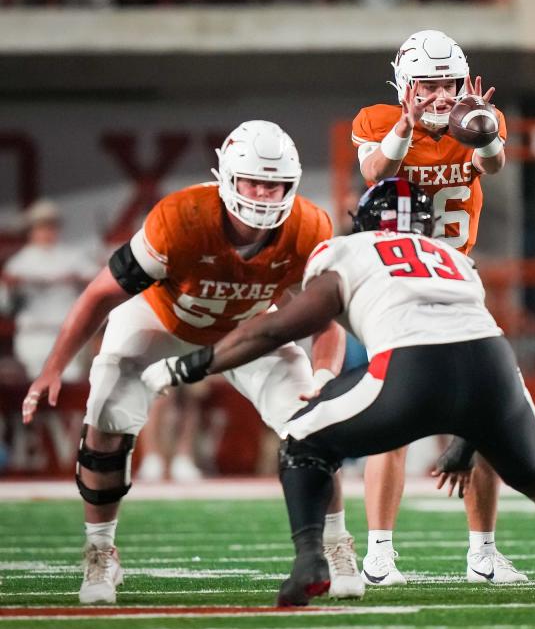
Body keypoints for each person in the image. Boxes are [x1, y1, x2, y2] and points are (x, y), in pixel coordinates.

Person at [140, 177, 535, 607]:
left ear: (361, 219)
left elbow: (271, 330)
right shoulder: (453, 260)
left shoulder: (348, 249)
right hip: (493, 365)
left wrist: (192, 365)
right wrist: (468, 439)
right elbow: (466, 344)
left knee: (302, 439)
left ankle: (310, 562)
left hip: (413, 368)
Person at [20, 121, 363, 604]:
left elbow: (326, 321)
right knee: (105, 419)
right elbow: (101, 292)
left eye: (275, 183)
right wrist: (55, 364)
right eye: (253, 181)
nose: (265, 194)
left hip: (248, 330)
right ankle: (101, 552)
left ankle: (335, 543)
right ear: (227, 178)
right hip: (161, 322)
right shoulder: (181, 218)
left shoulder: (308, 227)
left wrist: (324, 378)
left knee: (312, 425)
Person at [349, 29, 522, 585]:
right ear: (405, 86)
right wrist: (407, 121)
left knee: (489, 416)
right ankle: (379, 554)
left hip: (457, 278)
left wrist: (485, 130)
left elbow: (493, 166)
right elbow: (376, 173)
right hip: (396, 280)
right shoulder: (379, 120)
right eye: (428, 84)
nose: (440, 93)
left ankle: (484, 554)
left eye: (448, 82)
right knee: (393, 418)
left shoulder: (471, 121)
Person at [0, 200, 99, 382]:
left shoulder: (73, 257)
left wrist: (76, 280)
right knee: (37, 382)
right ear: (32, 230)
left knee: (71, 379)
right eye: (42, 227)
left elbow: (98, 282)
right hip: (34, 334)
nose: (47, 232)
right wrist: (11, 285)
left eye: (51, 226)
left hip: (67, 331)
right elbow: (5, 304)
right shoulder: (19, 263)